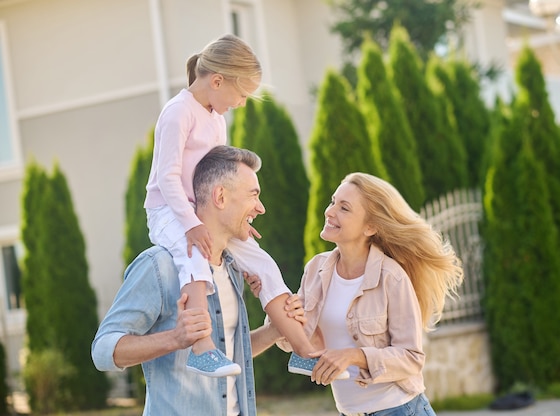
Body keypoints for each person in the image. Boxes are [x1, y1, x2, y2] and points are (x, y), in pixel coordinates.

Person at [143, 33, 327, 378]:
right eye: (241, 94)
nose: (242, 103)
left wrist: (235, 218)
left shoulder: (216, 119)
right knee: (193, 254)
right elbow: (167, 179)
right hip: (169, 211)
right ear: (216, 80)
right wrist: (191, 224)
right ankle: (202, 348)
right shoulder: (178, 113)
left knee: (264, 264)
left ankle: (304, 350)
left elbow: (219, 180)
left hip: (203, 212)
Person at [92, 146, 305, 415]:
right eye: (253, 196)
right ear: (220, 196)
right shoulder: (159, 266)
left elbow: (227, 351)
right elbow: (102, 351)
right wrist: (175, 338)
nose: (260, 208)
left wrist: (275, 330)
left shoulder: (232, 269)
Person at [275, 172, 464, 416]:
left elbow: (412, 358)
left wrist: (354, 356)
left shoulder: (391, 278)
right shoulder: (316, 269)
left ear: (370, 226)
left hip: (399, 409)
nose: (330, 211)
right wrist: (278, 302)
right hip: (349, 411)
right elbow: (289, 340)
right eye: (333, 202)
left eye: (344, 208)